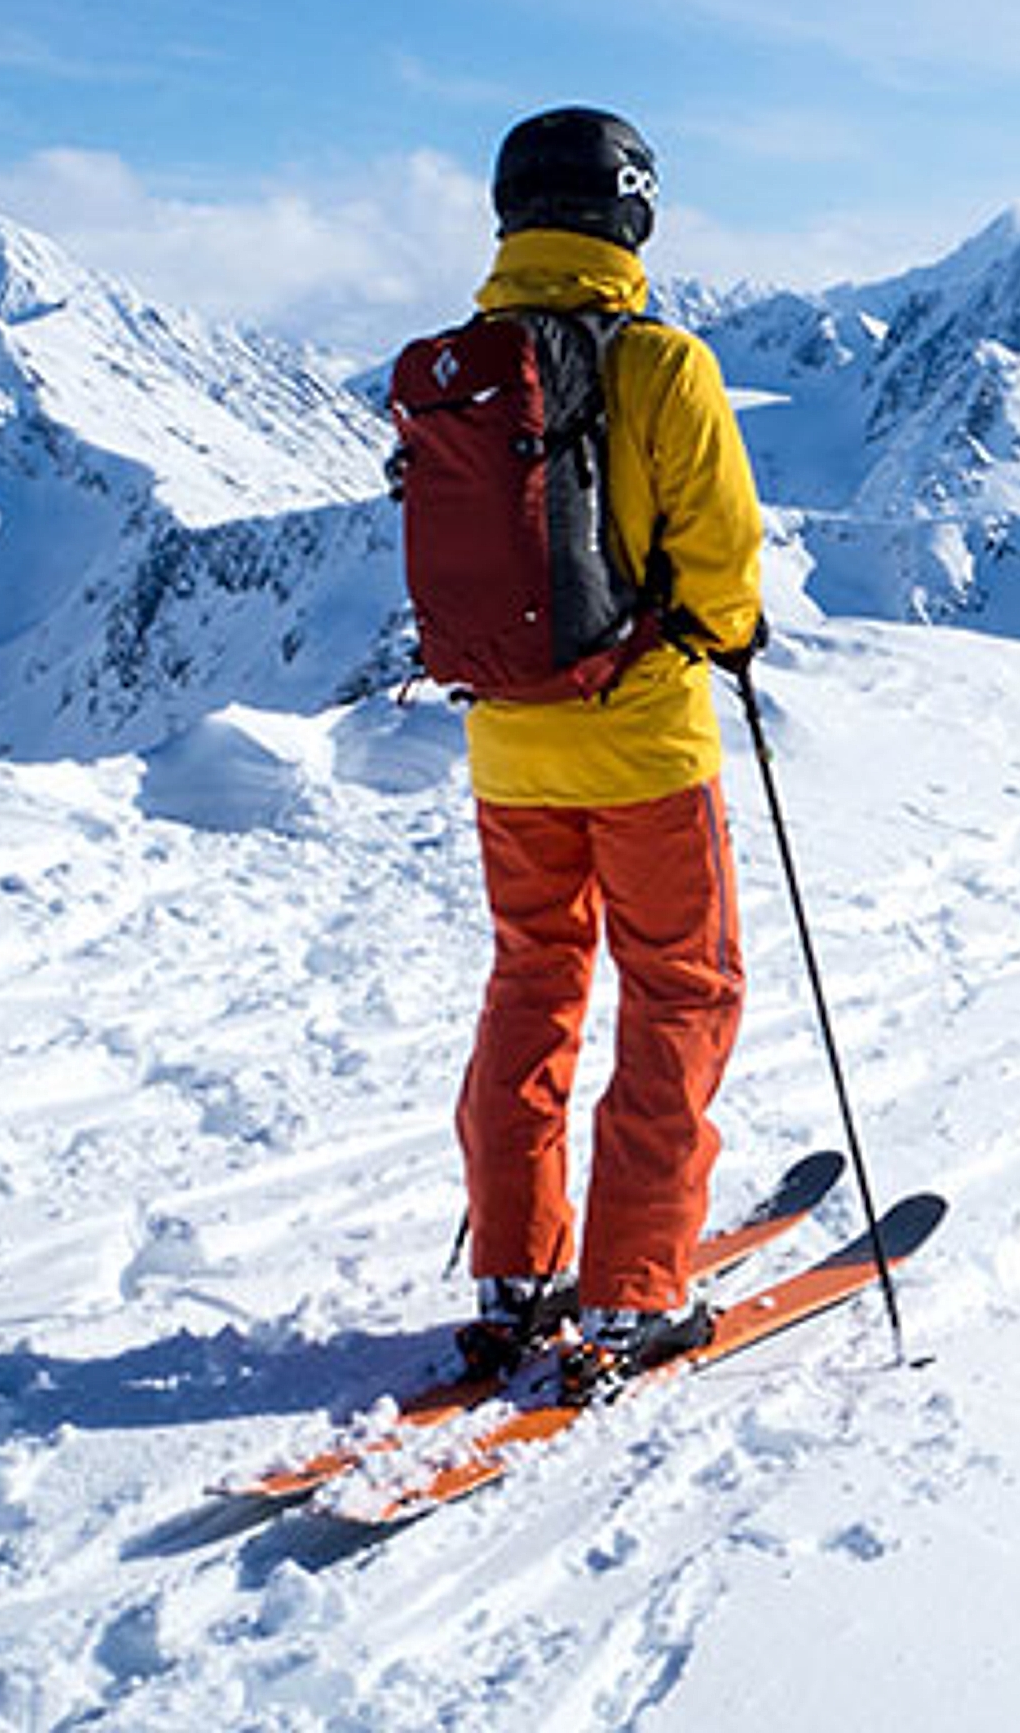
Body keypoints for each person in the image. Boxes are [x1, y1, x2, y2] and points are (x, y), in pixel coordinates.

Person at [444, 107, 767, 1403]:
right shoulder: (662, 364)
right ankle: (640, 1286)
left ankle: (516, 1273)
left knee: (535, 979)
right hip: (645, 746)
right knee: (682, 989)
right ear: (631, 209)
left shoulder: (460, 368)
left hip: (508, 751)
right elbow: (725, 562)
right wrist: (725, 639)